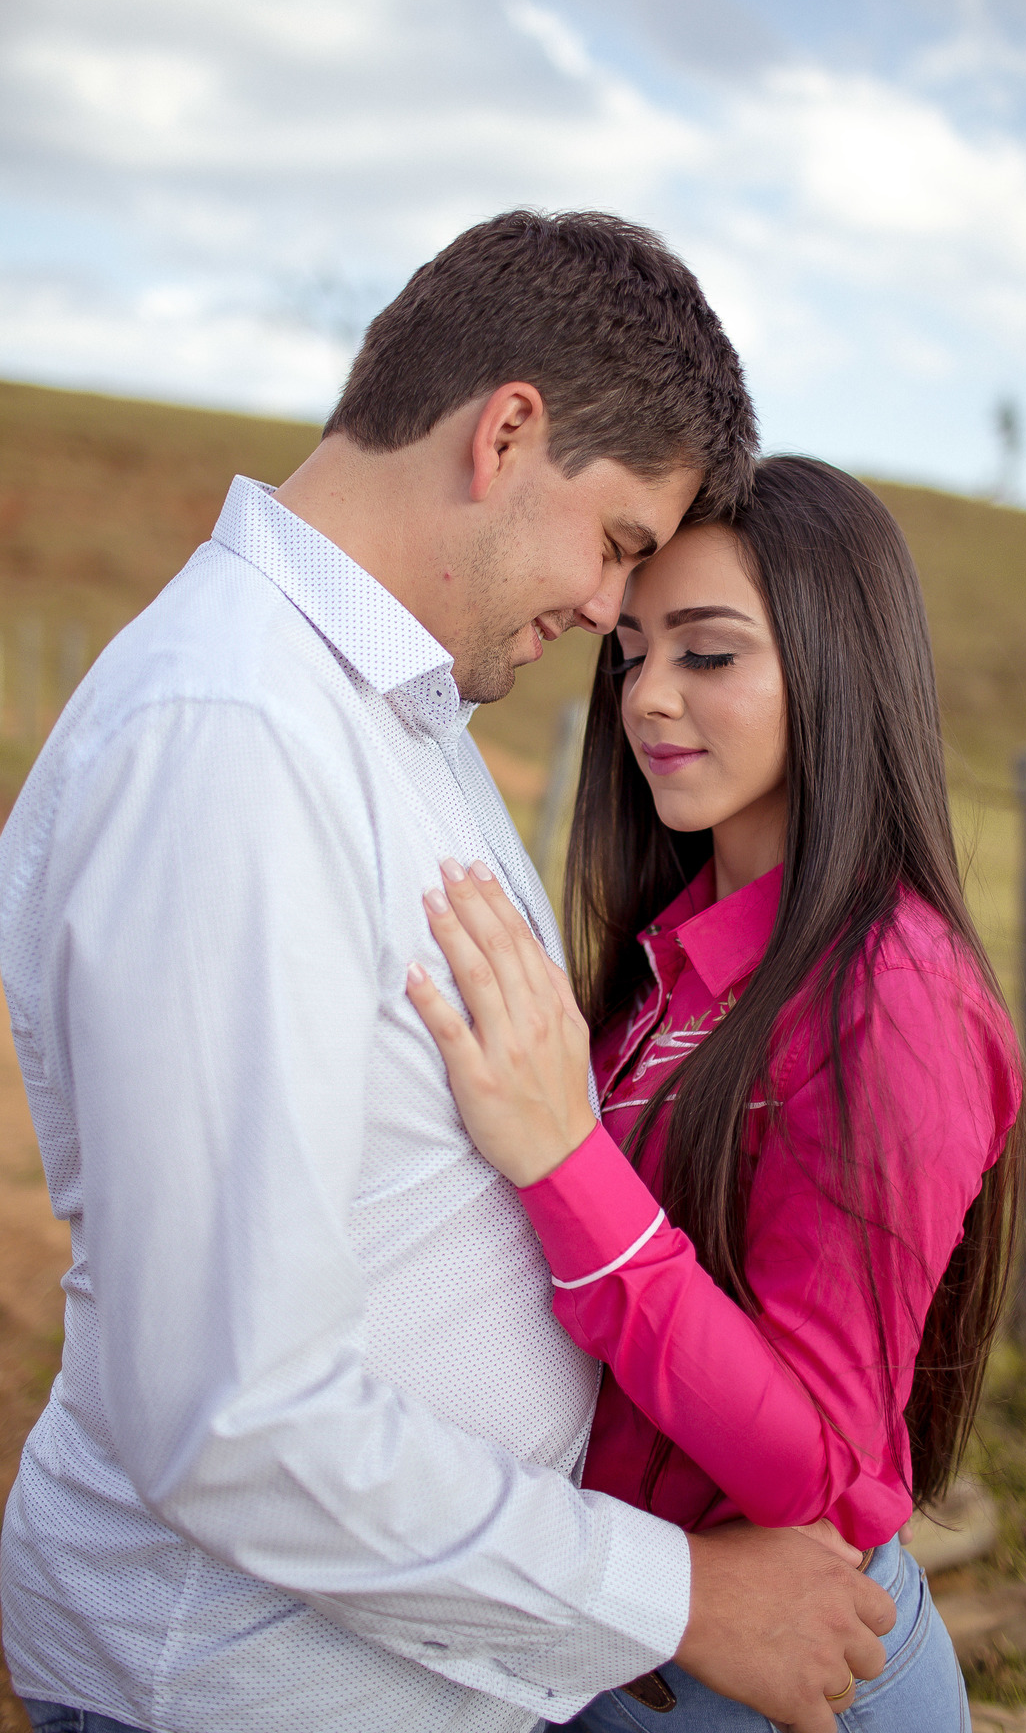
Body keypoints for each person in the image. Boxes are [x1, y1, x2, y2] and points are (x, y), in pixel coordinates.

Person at [0, 215, 895, 1733]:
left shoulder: (386, 710)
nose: (616, 614)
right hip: (249, 1686)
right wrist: (676, 1594)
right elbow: (239, 1418)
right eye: (617, 543)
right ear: (508, 433)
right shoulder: (234, 740)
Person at [407, 456, 1026, 1730]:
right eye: (632, 652)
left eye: (708, 655)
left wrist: (561, 1157)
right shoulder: (675, 960)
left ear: (835, 667)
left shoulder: (894, 997)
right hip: (626, 1640)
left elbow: (809, 1453)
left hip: (778, 1681)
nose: (647, 697)